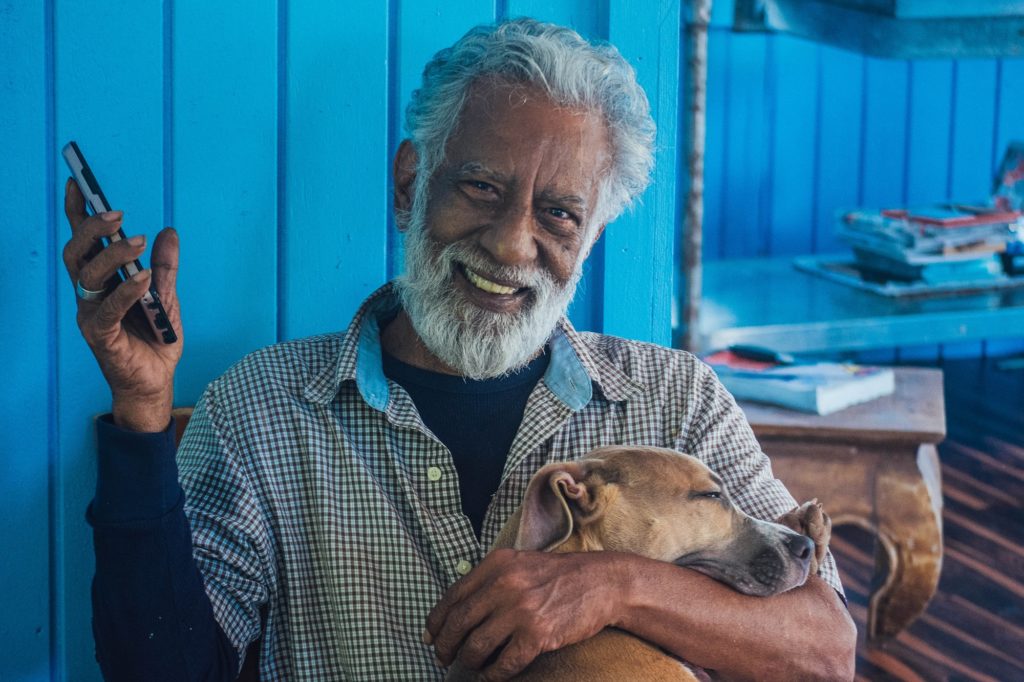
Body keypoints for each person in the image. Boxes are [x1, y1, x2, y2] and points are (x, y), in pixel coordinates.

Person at [63, 18, 856, 682]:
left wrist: (609, 588)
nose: (513, 244)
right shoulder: (263, 410)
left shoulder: (677, 401)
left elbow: (825, 650)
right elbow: (157, 670)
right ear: (411, 185)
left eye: (559, 214)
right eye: (481, 187)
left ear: (591, 238)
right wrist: (141, 417)